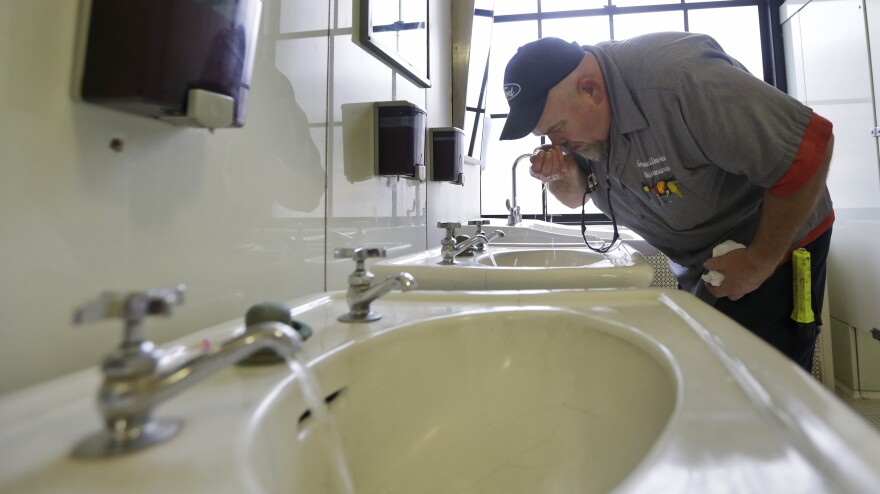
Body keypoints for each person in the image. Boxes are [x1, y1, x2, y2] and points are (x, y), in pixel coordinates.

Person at [499, 32, 834, 373]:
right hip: (701, 263)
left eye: (558, 129)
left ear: (591, 90)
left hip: (770, 244)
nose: (558, 144)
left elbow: (807, 152)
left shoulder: (680, 80)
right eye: (548, 136)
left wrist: (758, 260)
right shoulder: (585, 130)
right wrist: (559, 176)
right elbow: (575, 196)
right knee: (711, 375)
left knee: (763, 384)